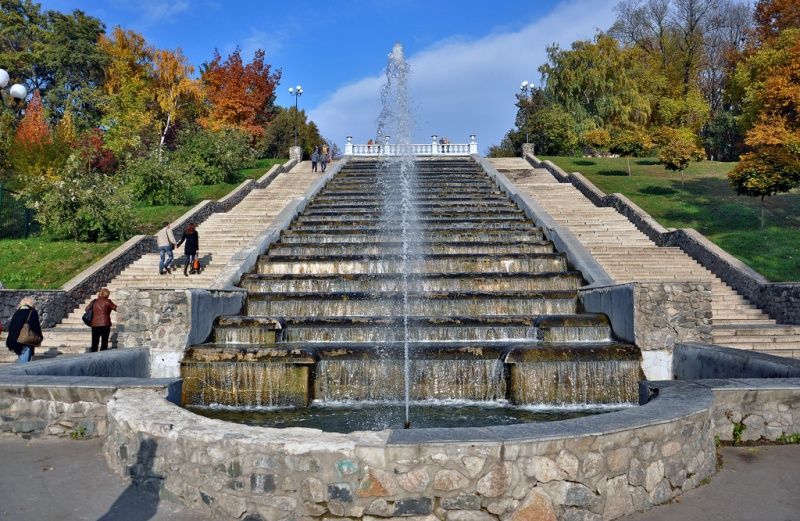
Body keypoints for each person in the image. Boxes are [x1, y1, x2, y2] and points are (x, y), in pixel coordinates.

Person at [6, 297, 42, 363]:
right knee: (24, 363)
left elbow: (12, 326)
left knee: (22, 359)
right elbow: (35, 326)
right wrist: (39, 336)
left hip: (16, 339)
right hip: (26, 340)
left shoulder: (17, 312)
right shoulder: (32, 312)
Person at [87, 288, 117, 352]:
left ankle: (93, 357)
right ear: (107, 294)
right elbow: (115, 308)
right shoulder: (108, 301)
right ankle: (103, 357)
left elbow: (86, 309)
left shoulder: (94, 301)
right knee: (104, 342)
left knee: (94, 342)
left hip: (95, 324)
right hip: (105, 323)